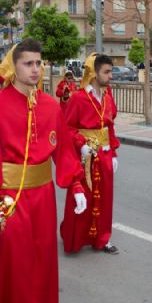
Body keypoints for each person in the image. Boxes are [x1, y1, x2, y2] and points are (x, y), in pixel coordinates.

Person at [0, 38, 86, 303]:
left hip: (42, 193)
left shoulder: (51, 105)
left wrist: (77, 184)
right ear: (13, 66)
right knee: (14, 258)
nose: (35, 69)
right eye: (28, 63)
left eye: (38, 63)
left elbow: (64, 151)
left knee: (43, 256)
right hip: (7, 195)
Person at [61, 54, 120, 254]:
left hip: (103, 155)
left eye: (110, 71)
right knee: (82, 198)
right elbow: (67, 128)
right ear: (94, 73)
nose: (110, 76)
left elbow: (109, 127)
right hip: (85, 156)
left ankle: (102, 238)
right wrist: (81, 144)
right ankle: (75, 238)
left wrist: (113, 152)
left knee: (105, 197)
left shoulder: (107, 96)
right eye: (107, 72)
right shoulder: (78, 98)